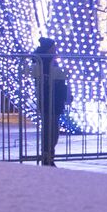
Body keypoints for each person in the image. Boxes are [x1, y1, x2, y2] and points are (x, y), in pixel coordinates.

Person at [31, 37, 68, 167]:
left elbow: (62, 80)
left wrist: (65, 94)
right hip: (47, 100)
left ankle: (49, 155)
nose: (55, 49)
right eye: (53, 47)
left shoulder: (53, 62)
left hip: (56, 100)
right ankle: (47, 156)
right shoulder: (41, 63)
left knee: (54, 130)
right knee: (49, 129)